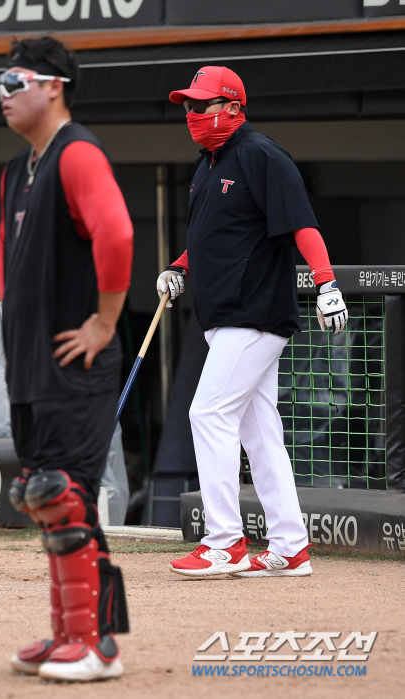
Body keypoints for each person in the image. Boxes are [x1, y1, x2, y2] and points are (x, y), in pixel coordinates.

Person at [157, 66, 347, 578]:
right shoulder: (208, 162)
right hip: (224, 314)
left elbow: (302, 224)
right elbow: (212, 235)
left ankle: (224, 542)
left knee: (207, 414)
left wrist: (327, 284)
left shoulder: (262, 154)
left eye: (201, 105)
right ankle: (289, 546)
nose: (192, 114)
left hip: (255, 312)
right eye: (188, 106)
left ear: (233, 108)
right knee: (259, 434)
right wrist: (179, 267)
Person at [0, 37, 134, 681]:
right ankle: (67, 635)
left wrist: (104, 323)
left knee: (67, 496)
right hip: (32, 364)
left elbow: (118, 230)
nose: (2, 94)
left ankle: (99, 645)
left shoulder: (76, 153)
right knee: (43, 497)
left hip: (75, 364)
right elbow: (9, 265)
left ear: (53, 85)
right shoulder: (15, 170)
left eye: (13, 80)